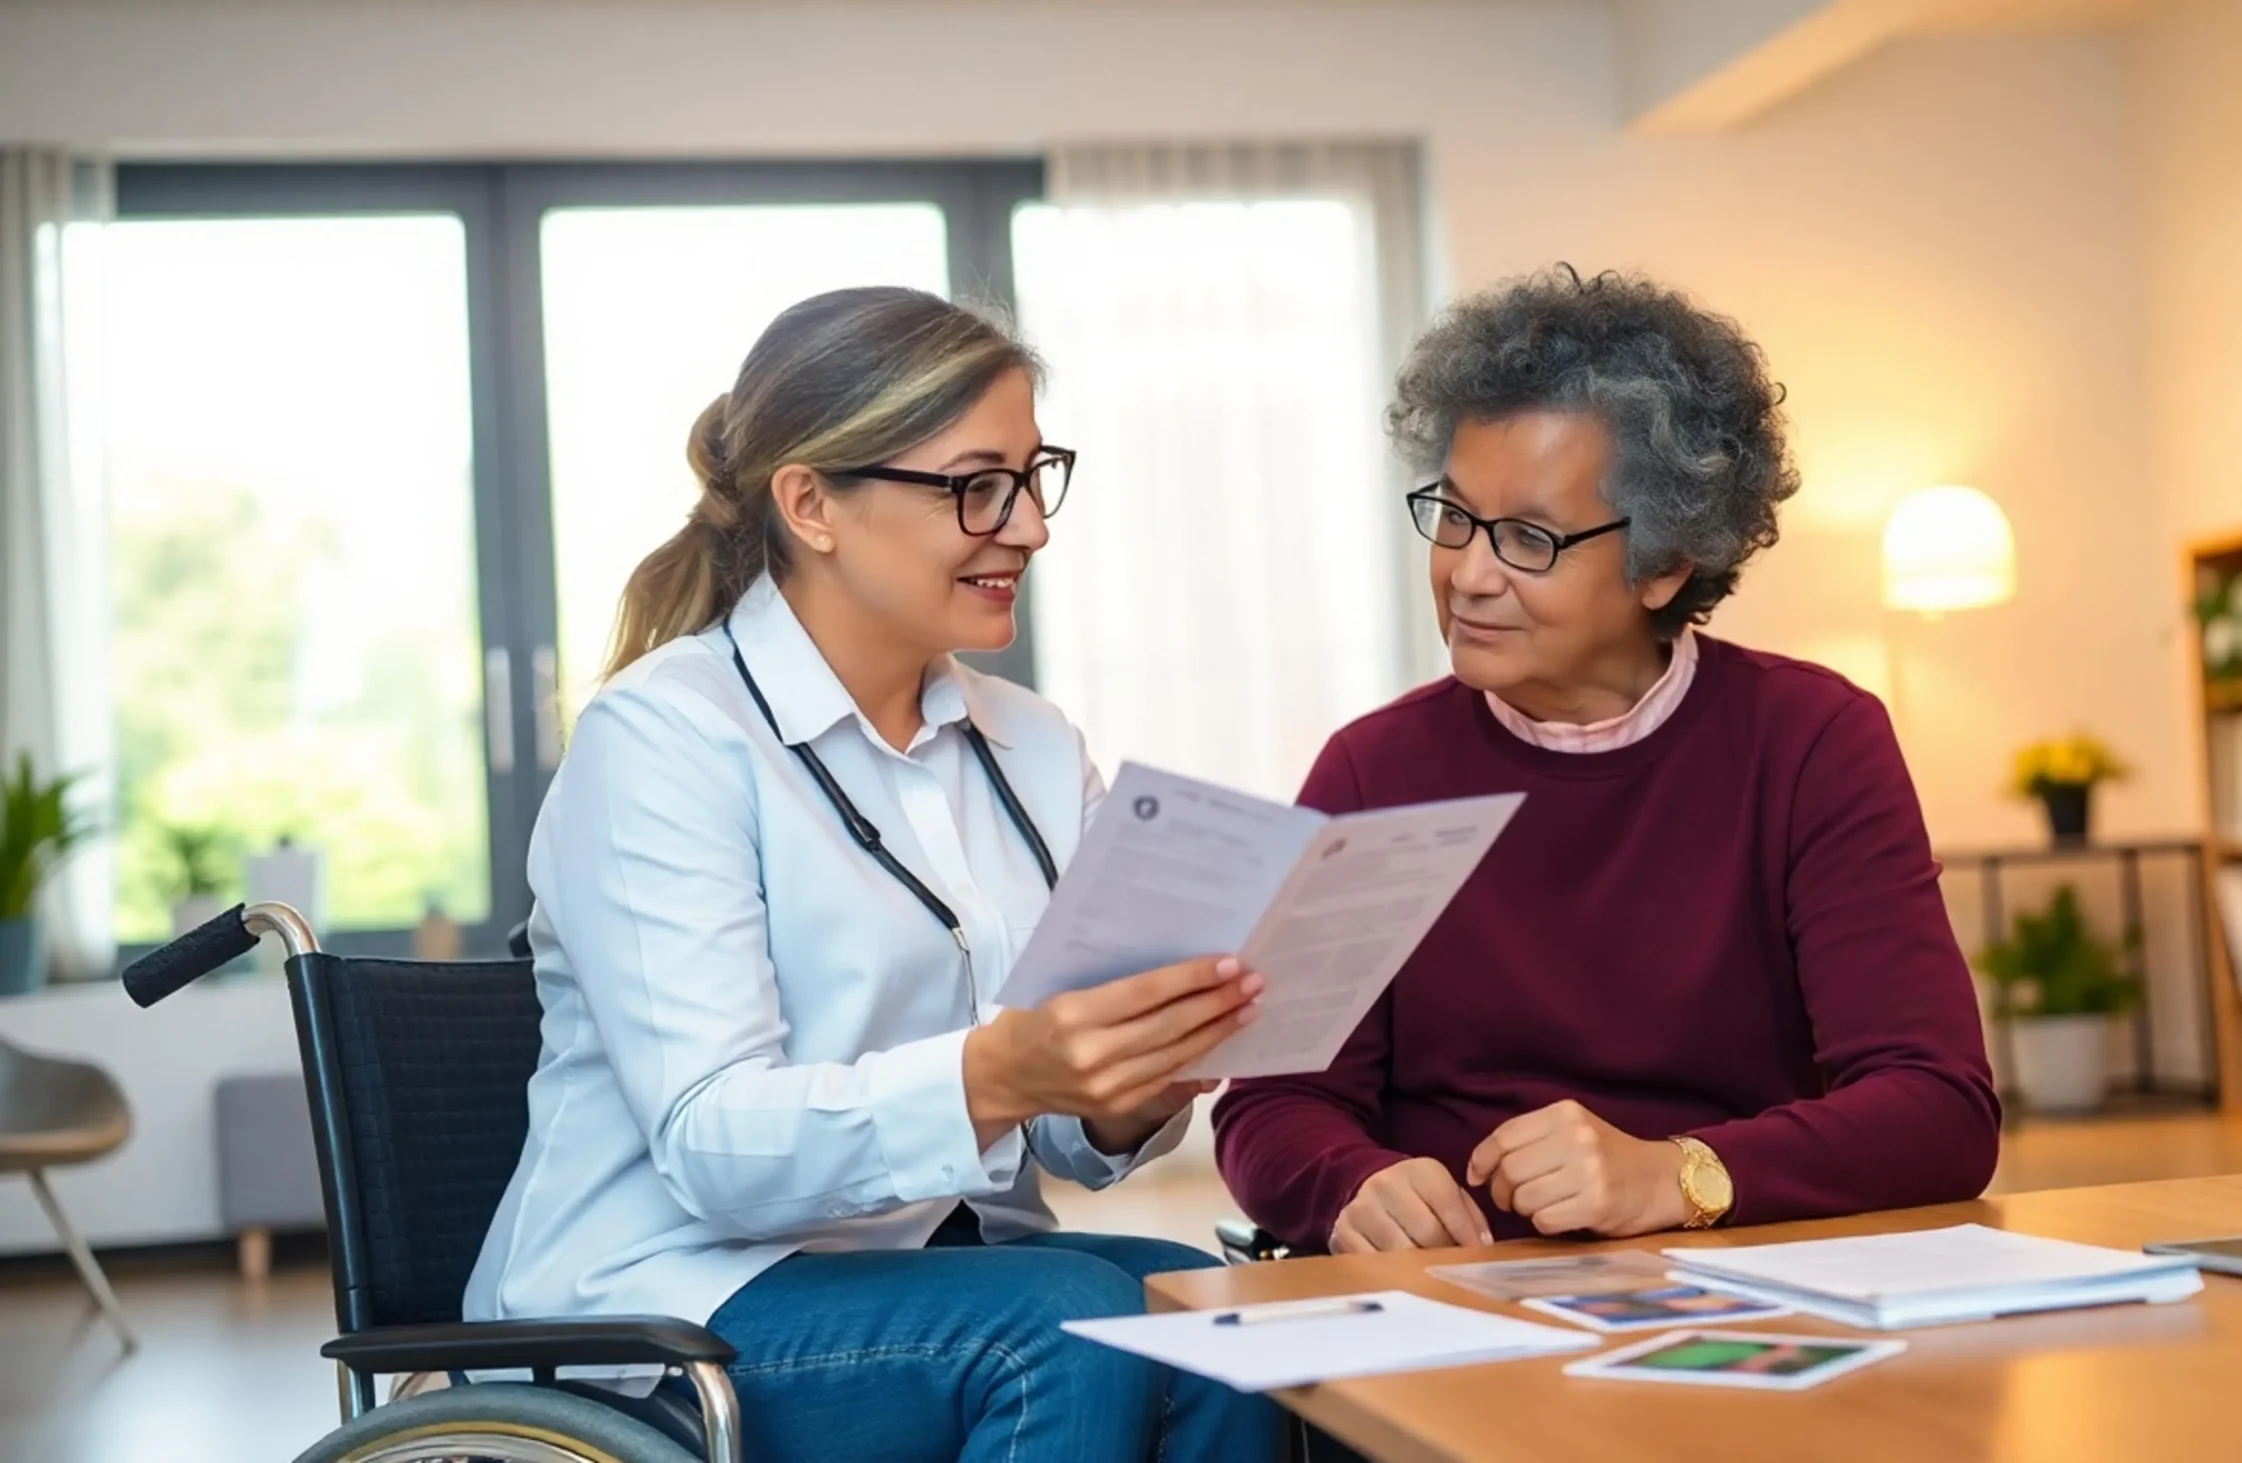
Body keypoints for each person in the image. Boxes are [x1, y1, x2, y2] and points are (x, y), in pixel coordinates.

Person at [465, 287, 1282, 1462]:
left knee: (1213, 1317)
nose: (1029, 529)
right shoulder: (664, 738)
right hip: (670, 1295)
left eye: (1032, 476)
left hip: (948, 1269)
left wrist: (1129, 1083)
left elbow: (1063, 1147)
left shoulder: (1035, 747)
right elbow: (712, 1142)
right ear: (811, 504)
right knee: (1063, 1326)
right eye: (974, 486)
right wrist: (997, 1069)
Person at [1213, 266, 2000, 1257]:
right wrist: (1353, 1184)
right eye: (1451, 516)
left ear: (1665, 561)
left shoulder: (1811, 742)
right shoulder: (1375, 769)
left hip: (1739, 1275)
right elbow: (1272, 1108)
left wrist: (1676, 1173)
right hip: (1459, 1300)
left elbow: (1938, 1107)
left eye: (1528, 538)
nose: (1467, 571)